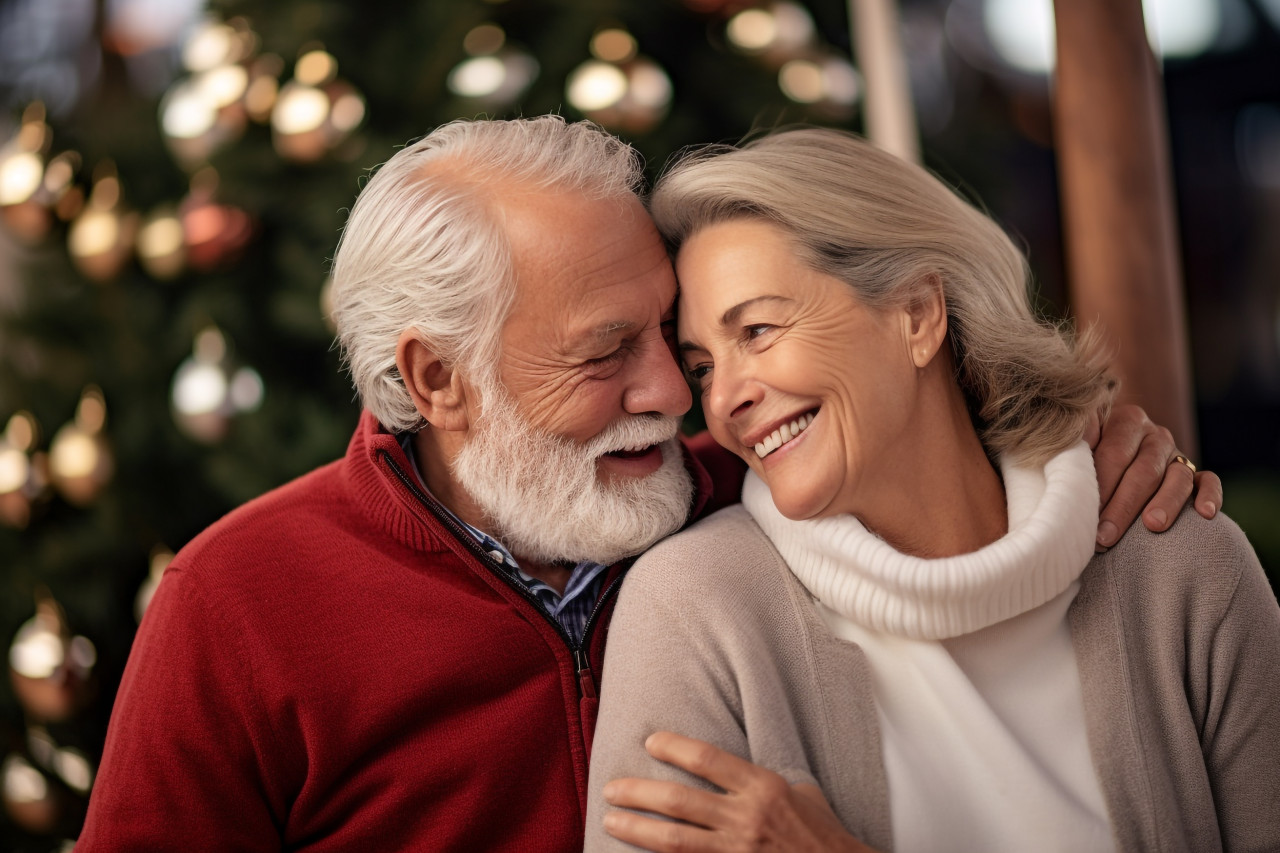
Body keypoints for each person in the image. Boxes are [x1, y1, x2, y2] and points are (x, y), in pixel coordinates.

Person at [76, 117, 1217, 852]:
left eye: (676, 339)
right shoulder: (238, 602)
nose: (678, 394)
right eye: (603, 350)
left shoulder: (757, 494)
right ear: (438, 378)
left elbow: (920, 421)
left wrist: (1078, 438)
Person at [585, 127, 1280, 853]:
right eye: (701, 367)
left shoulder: (1182, 569)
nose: (722, 398)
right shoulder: (697, 608)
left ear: (917, 314)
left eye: (757, 330)